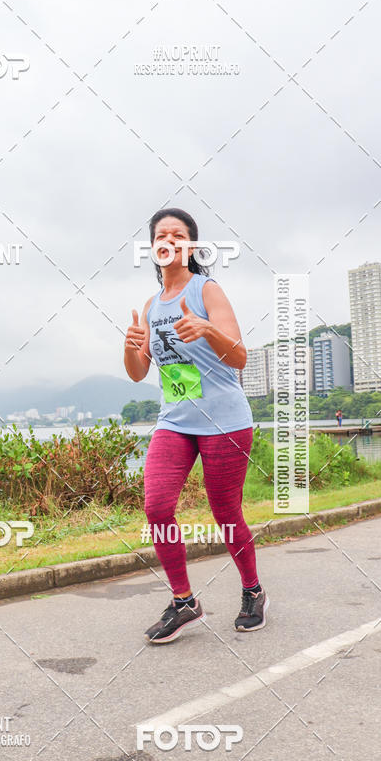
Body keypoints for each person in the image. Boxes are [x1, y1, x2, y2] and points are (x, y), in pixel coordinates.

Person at [124, 208, 269, 643]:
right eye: (161, 235)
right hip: (176, 421)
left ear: (190, 246)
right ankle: (185, 602)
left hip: (224, 419)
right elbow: (137, 372)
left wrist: (207, 329)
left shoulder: (208, 289)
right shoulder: (151, 306)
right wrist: (131, 347)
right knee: (157, 506)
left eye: (179, 234)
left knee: (226, 514)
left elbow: (239, 357)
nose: (169, 240)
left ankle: (253, 591)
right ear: (153, 246)